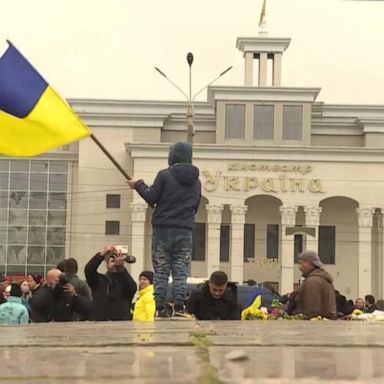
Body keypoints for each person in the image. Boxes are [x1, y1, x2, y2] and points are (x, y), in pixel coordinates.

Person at [127, 142, 201, 318]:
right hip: (185, 230)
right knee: (180, 270)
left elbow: (152, 197)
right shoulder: (196, 181)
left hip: (163, 230)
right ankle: (179, 306)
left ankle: (160, 307)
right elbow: (195, 207)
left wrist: (138, 184)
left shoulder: (165, 175)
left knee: (161, 270)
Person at [84, 244, 137, 321]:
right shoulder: (99, 280)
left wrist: (120, 268)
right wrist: (102, 254)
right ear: (107, 265)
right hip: (99, 323)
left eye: (117, 261)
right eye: (112, 261)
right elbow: (89, 270)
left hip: (121, 323)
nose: (115, 264)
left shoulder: (125, 281)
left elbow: (132, 288)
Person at [294, 250, 337, 320]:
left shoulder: (313, 282)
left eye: (300, 263)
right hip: (325, 324)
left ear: (307, 263)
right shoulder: (322, 279)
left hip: (315, 327)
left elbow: (312, 311)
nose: (299, 268)